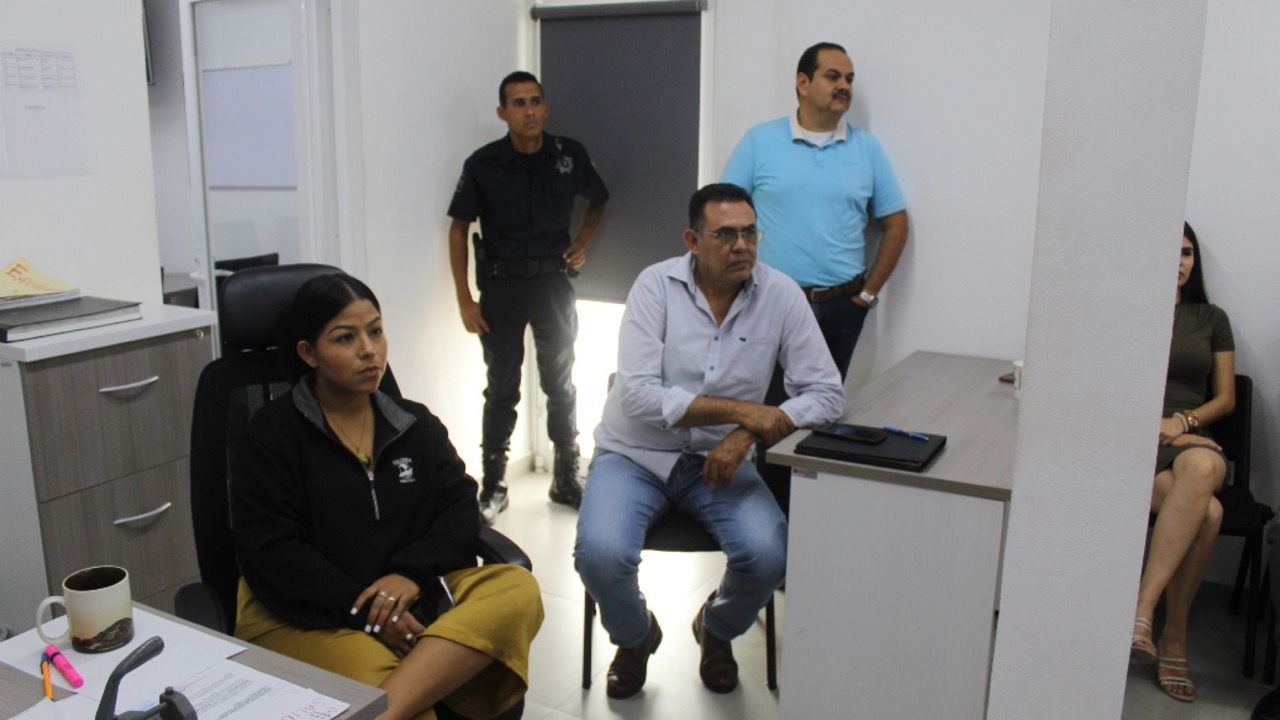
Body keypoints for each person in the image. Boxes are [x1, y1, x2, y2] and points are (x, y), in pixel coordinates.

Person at [229, 273, 543, 720]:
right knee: (408, 700)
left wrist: (411, 575)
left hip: (411, 595)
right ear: (308, 353)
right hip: (306, 615)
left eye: (375, 331)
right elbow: (273, 552)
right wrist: (371, 611)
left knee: (517, 588)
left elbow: (460, 508)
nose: (369, 350)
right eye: (345, 338)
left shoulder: (415, 424)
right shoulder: (271, 435)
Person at [574, 184, 844, 699]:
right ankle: (634, 636)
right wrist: (743, 411)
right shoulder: (655, 286)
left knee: (769, 555)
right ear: (693, 241)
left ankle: (716, 629)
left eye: (750, 233)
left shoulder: (781, 294)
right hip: (634, 455)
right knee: (601, 555)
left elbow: (828, 394)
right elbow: (637, 396)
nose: (742, 245)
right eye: (725, 235)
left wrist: (746, 432)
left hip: (721, 459)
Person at [448, 70, 609, 524]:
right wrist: (464, 300)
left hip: (552, 285)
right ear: (503, 113)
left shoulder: (568, 155)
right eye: (518, 103)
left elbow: (599, 198)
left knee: (561, 383)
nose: (529, 110)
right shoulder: (483, 164)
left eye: (536, 101)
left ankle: (565, 478)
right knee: (502, 386)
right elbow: (458, 229)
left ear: (546, 107)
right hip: (501, 288)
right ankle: (494, 485)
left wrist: (583, 242)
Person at [721, 41, 909, 379]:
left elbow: (896, 223)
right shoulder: (759, 141)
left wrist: (867, 295)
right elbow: (723, 216)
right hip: (769, 303)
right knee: (765, 404)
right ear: (803, 83)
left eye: (849, 79)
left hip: (843, 306)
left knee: (826, 404)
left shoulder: (867, 148)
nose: (844, 86)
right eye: (833, 76)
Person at [1130, 222, 1235, 704]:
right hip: (1138, 441)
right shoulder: (1131, 313)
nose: (1180, 261)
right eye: (1170, 251)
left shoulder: (1211, 317)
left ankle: (1141, 611)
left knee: (1204, 468)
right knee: (1208, 512)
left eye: (1187, 252)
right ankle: (1173, 639)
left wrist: (1182, 422)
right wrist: (1152, 424)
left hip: (1189, 437)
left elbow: (1226, 399)